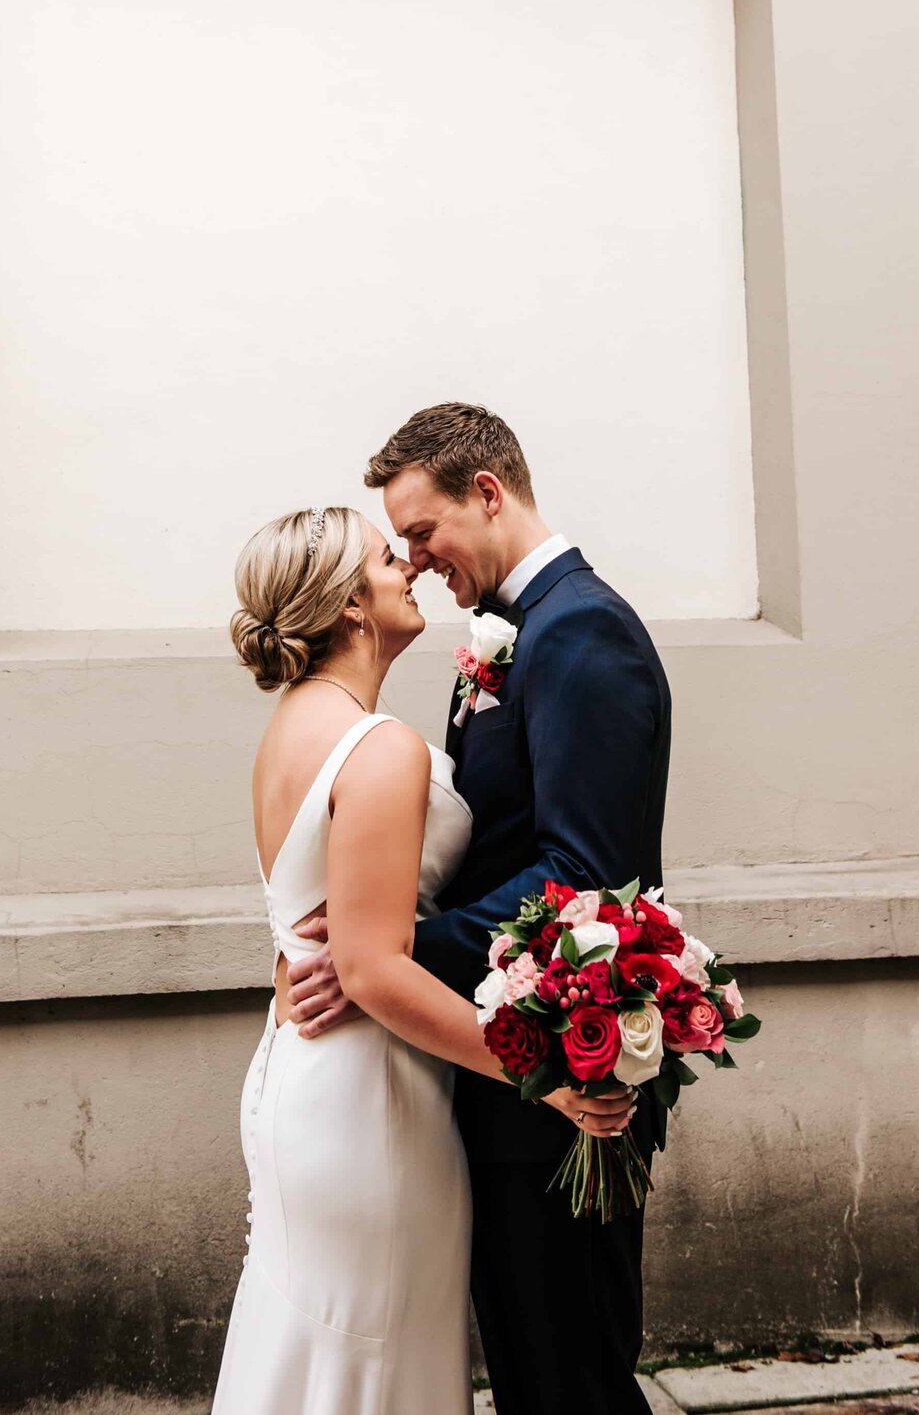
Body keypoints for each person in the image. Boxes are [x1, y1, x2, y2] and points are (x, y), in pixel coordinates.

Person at [285, 405, 673, 1415]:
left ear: (488, 492)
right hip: (501, 1067)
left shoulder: (581, 630)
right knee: (533, 1363)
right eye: (400, 544)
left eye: (422, 533)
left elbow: (586, 875)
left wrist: (399, 946)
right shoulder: (513, 631)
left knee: (570, 1373)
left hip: (561, 1069)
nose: (413, 560)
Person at [211, 502, 636, 1415]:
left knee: (315, 1346)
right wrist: (543, 1079)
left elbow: (324, 937)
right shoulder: (380, 746)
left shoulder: (292, 728)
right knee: (374, 1356)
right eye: (382, 555)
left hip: (304, 1071)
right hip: (371, 1095)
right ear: (352, 606)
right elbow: (368, 967)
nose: (407, 563)